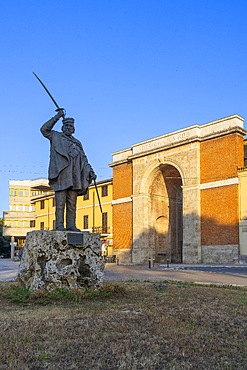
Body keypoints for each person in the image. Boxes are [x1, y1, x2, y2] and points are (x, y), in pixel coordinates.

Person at [40, 109, 96, 231]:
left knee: (72, 204)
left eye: (71, 126)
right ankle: (59, 225)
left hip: (75, 176)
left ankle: (71, 225)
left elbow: (84, 159)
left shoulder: (77, 143)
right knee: (60, 203)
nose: (69, 128)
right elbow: (44, 130)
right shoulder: (56, 136)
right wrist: (57, 116)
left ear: (74, 128)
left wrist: (90, 171)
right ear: (63, 127)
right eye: (67, 125)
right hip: (62, 174)